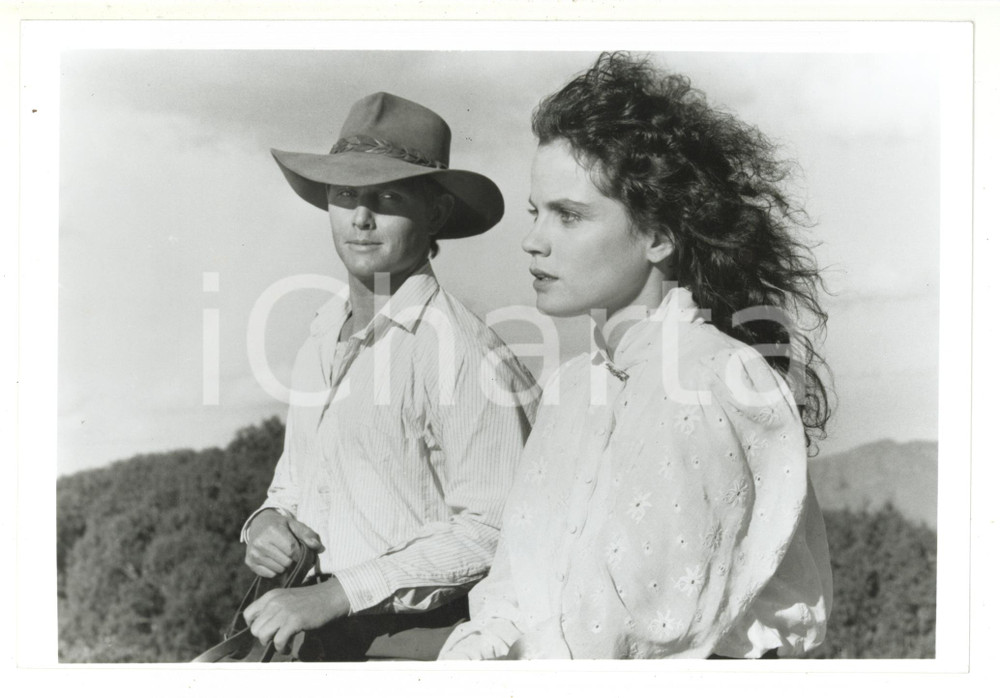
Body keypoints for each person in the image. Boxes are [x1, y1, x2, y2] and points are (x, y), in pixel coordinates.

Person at [438, 53, 834, 660]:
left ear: (658, 236)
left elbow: (644, 627)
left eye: (569, 215)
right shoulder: (574, 387)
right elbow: (516, 585)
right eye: (535, 211)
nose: (533, 239)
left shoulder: (714, 378)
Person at [239, 92, 540, 661]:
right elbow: (297, 483)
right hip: (313, 633)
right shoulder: (323, 333)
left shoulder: (463, 352)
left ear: (437, 215)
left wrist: (339, 593)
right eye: (346, 194)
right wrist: (266, 525)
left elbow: (494, 529)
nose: (361, 216)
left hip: (416, 646)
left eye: (388, 196)